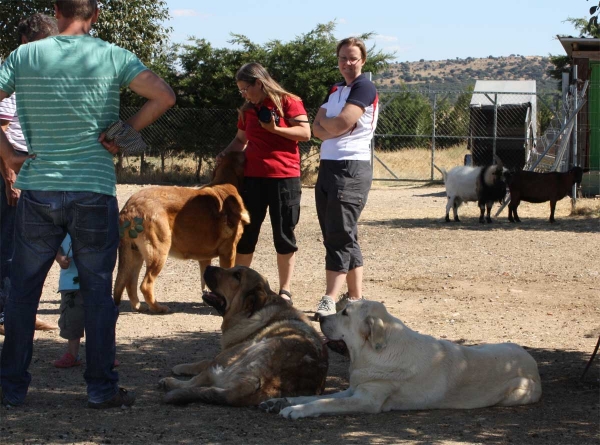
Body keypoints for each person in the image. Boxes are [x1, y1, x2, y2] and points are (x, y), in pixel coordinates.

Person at [0, 0, 175, 409]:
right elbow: (164, 95)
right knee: (98, 292)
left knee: (23, 292)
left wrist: (8, 153)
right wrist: (126, 129)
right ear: (94, 16)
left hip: (39, 187)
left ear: (56, 11)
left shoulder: (25, 54)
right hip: (93, 188)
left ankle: (10, 389)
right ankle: (101, 388)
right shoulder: (111, 55)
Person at [217, 62, 310, 305]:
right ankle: (236, 289)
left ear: (259, 82)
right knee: (246, 235)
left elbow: (305, 133)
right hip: (253, 179)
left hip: (284, 178)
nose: (244, 94)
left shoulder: (288, 101)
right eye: (240, 91)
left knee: (284, 234)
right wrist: (225, 154)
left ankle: (285, 291)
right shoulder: (247, 109)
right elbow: (240, 140)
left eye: (245, 88)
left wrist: (275, 128)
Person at [0, 13, 60, 336]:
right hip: (13, 170)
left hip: (29, 167)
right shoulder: (13, 74)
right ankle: (8, 315)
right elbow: (3, 126)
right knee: (11, 246)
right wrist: (10, 171)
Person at [312, 37, 380, 320]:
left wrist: (330, 124)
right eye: (342, 58)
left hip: (351, 168)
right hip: (328, 166)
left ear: (362, 60)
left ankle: (329, 298)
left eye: (352, 58)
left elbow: (339, 123)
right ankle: (354, 298)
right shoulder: (336, 89)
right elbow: (316, 128)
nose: (347, 63)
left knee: (339, 233)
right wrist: (330, 126)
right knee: (340, 232)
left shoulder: (364, 87)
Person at [53, 233, 120, 369]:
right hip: (70, 284)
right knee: (72, 320)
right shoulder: (62, 224)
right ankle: (72, 354)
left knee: (100, 320)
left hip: (96, 281)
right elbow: (53, 243)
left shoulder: (95, 224)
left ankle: (103, 355)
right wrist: (60, 258)